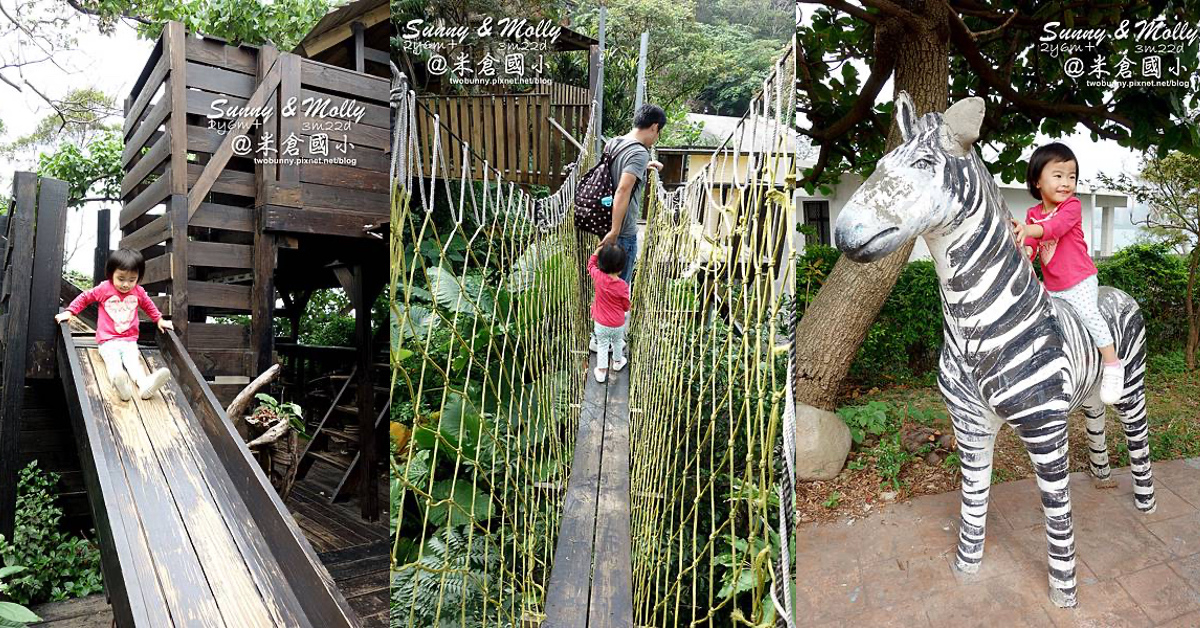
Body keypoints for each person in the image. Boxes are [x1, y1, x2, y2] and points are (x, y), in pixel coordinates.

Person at [1011, 142, 1123, 404]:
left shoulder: (1071, 207)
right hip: (1054, 285)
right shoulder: (1033, 213)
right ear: (1037, 181)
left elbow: (1054, 229)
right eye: (1058, 175)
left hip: (1079, 279)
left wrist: (1029, 231)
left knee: (1089, 315)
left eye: (1071, 176)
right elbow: (1033, 244)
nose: (1066, 183)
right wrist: (1026, 251)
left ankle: (1112, 364)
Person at [56, 248, 174, 401]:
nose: (126, 284)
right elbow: (85, 298)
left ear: (138, 278)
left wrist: (159, 319)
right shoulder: (104, 288)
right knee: (114, 364)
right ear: (111, 274)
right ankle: (121, 387)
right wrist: (70, 312)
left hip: (129, 340)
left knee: (133, 363)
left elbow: (149, 305)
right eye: (121, 278)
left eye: (132, 280)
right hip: (108, 340)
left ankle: (144, 384)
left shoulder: (138, 292)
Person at [588, 242, 631, 383]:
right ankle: (618, 363)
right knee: (618, 342)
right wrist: (624, 309)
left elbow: (590, 266)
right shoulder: (623, 286)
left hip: (601, 323)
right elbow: (625, 305)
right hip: (617, 323)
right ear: (621, 268)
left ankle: (601, 371)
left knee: (602, 344)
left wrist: (596, 252)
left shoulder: (598, 277)